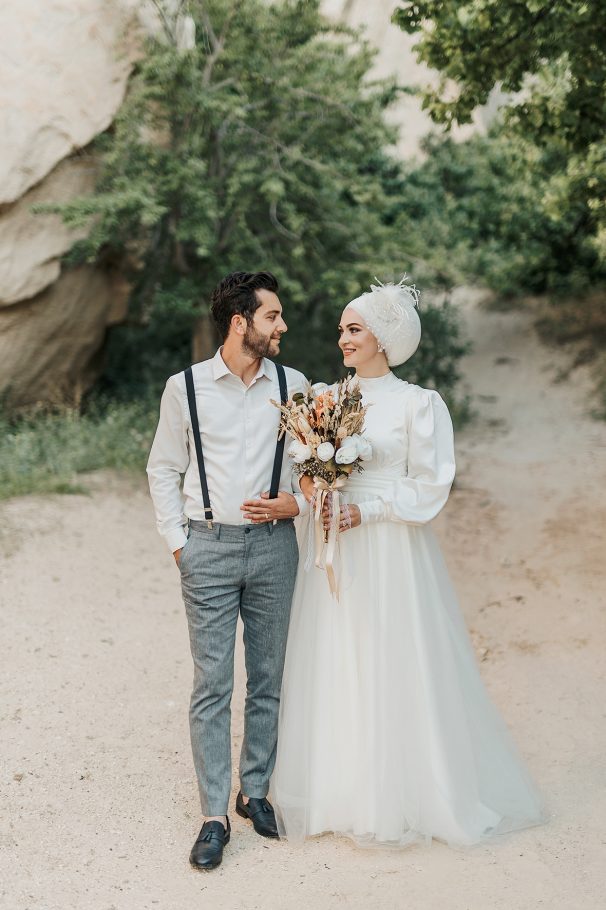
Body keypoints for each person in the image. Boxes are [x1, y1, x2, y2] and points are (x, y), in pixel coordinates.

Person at [271, 280, 545, 847]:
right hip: (336, 549)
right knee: (339, 656)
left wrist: (364, 511)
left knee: (393, 656)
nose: (341, 338)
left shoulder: (419, 405)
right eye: (343, 328)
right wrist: (318, 492)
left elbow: (429, 488)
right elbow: (305, 468)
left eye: (354, 329)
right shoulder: (326, 399)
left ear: (384, 339)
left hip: (390, 547)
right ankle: (342, 793)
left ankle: (408, 793)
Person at [147, 270, 309, 871]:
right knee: (212, 684)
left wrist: (297, 501)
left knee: (267, 676)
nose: (283, 326)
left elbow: (314, 467)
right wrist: (178, 545)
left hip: (274, 548)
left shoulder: (295, 385)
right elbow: (162, 467)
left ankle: (254, 792)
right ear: (241, 323)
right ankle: (213, 814)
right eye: (273, 316)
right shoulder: (184, 388)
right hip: (207, 550)